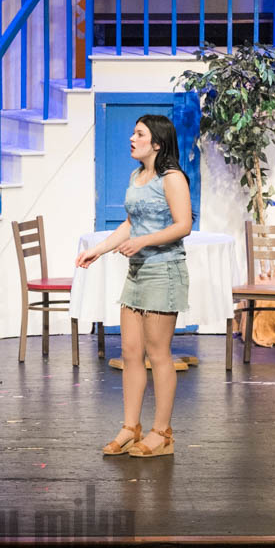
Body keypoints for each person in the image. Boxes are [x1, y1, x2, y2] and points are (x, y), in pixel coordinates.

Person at [76, 114, 191, 458]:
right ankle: (131, 427)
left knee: (158, 354)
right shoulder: (136, 176)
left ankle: (162, 433)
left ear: (157, 143)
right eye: (133, 132)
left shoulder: (172, 178)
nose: (132, 138)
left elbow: (183, 225)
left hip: (163, 271)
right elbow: (130, 223)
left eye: (139, 134)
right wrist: (99, 249)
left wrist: (143, 242)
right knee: (130, 353)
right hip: (138, 273)